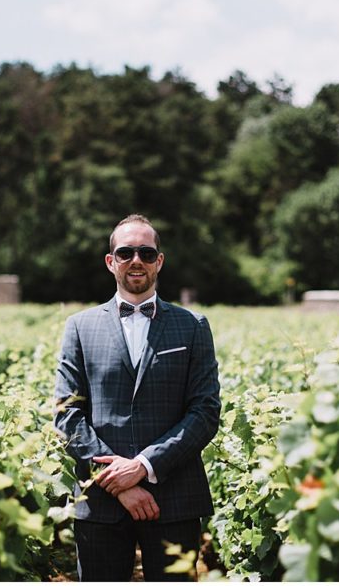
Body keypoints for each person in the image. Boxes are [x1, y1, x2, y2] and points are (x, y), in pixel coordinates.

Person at [54, 213, 222, 581]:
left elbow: (205, 411)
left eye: (146, 253)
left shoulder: (193, 326)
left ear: (159, 261)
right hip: (100, 502)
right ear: (110, 261)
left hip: (175, 499)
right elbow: (67, 415)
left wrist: (143, 466)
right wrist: (117, 482)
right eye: (126, 252)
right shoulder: (80, 327)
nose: (136, 261)